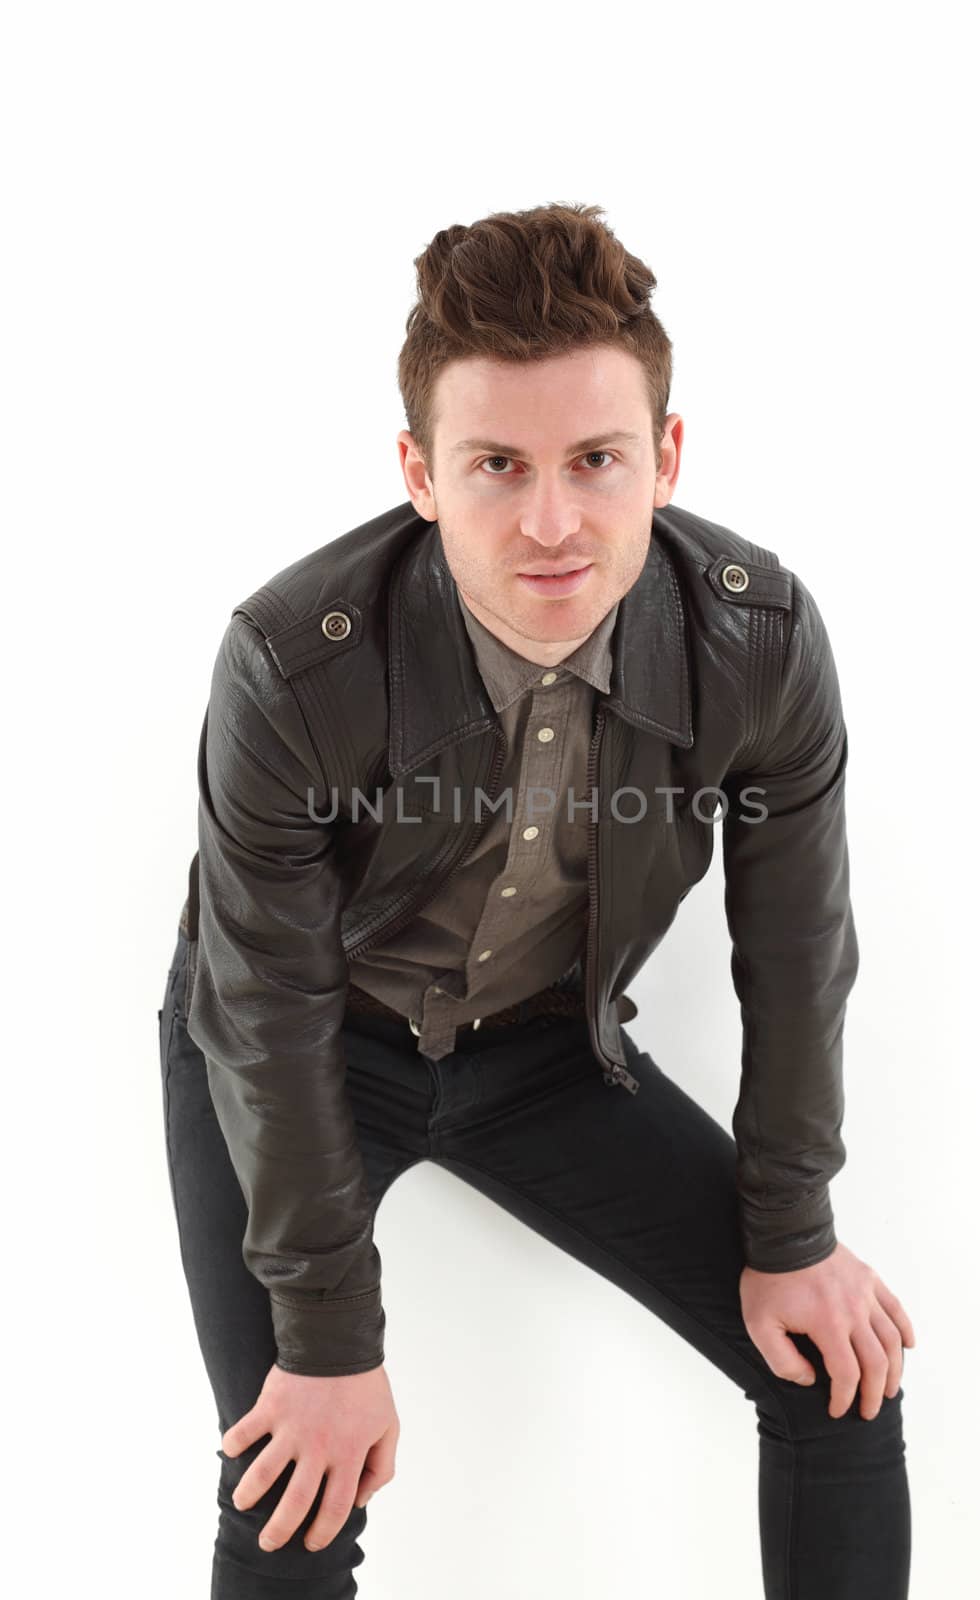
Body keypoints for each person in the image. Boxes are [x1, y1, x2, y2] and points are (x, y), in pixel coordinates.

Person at [159, 200, 915, 1599]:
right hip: (301, 1045)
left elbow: (799, 951)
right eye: (497, 465)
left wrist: (790, 1231)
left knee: (837, 1376)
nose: (553, 522)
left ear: (665, 459)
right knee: (293, 1479)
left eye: (596, 460)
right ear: (421, 473)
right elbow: (262, 1007)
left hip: (544, 1046)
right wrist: (327, 1340)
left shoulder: (761, 640)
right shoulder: (288, 663)